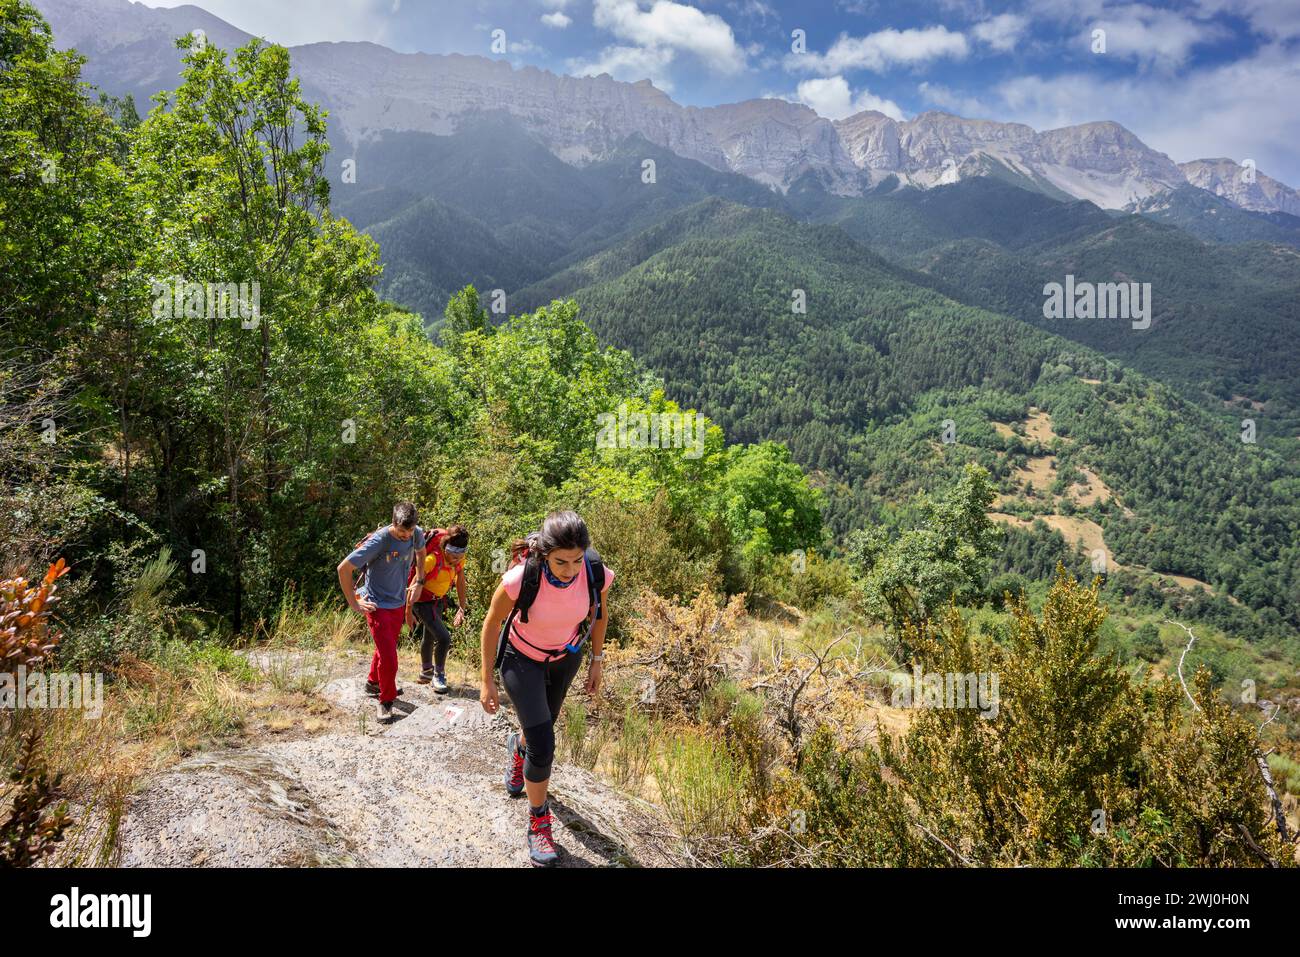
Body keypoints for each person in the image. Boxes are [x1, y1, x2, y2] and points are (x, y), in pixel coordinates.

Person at [479, 511, 613, 866]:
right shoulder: (522, 577)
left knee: (542, 728)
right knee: (545, 743)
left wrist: (597, 660)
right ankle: (539, 820)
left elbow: (599, 614)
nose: (569, 569)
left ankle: (518, 747)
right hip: (521, 660)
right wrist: (486, 679)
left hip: (565, 658)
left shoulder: (594, 572)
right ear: (544, 554)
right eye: (560, 561)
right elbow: (492, 623)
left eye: (576, 560)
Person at [338, 502, 426, 722]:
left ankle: (372, 682)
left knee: (385, 648)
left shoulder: (416, 533)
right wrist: (354, 603)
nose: (406, 536)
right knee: (390, 657)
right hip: (376, 604)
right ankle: (386, 701)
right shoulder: (381, 540)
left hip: (397, 602)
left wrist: (420, 580)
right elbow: (344, 568)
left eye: (410, 531)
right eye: (402, 532)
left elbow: (421, 552)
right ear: (393, 523)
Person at [405, 524, 469, 692]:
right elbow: (413, 583)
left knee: (430, 636)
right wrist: (408, 611)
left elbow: (460, 581)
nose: (455, 559)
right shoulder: (432, 559)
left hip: (438, 601)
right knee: (444, 638)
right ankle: (438, 675)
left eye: (460, 555)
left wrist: (462, 608)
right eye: (453, 555)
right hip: (423, 602)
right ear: (445, 548)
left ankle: (426, 672)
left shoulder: (459, 560)